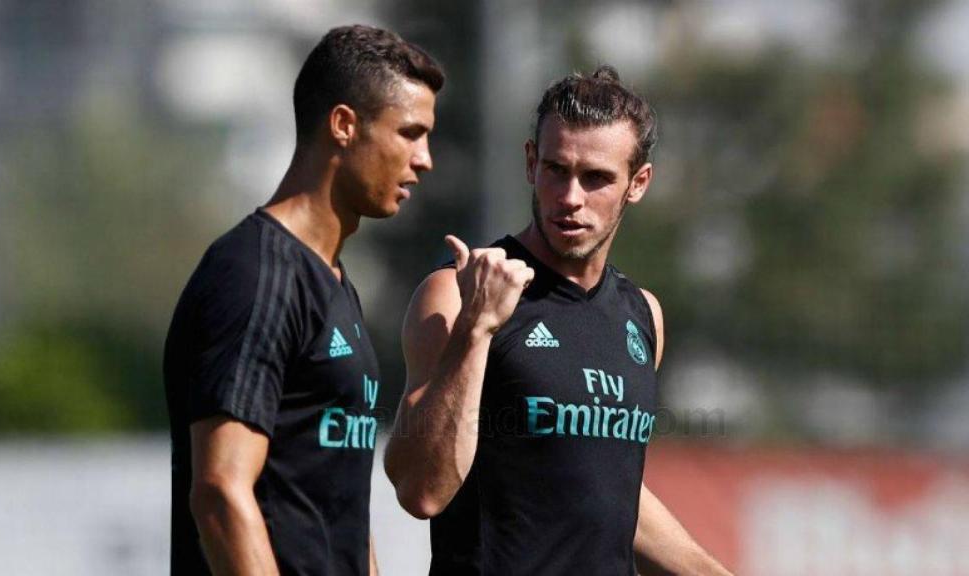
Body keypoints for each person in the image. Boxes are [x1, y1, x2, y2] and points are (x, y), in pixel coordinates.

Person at [385, 66, 731, 575]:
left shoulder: (643, 315)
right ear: (531, 162)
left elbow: (602, 488)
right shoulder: (459, 292)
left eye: (595, 178)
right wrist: (476, 328)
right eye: (556, 170)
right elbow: (421, 490)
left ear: (638, 183)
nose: (570, 198)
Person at [164, 25, 443, 575]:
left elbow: (338, 508)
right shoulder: (255, 272)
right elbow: (220, 491)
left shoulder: (335, 282)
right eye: (410, 133)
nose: (425, 158)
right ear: (343, 126)